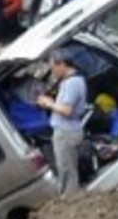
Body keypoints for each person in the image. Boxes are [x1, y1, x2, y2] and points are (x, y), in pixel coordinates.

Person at [36, 48, 88, 195]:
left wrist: (49, 104)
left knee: (66, 171)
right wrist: (51, 101)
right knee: (67, 169)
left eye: (53, 67)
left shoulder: (72, 83)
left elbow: (67, 111)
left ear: (62, 64)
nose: (52, 72)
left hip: (66, 133)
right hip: (67, 130)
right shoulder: (70, 81)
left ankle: (72, 203)